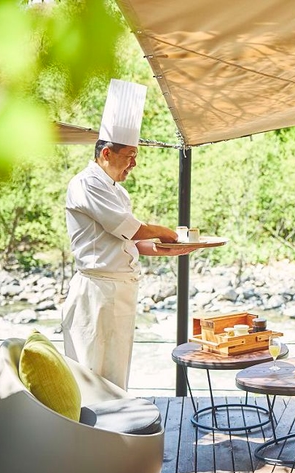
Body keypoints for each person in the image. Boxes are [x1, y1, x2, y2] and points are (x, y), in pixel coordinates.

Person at [61, 79, 196, 390]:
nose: (134, 163)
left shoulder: (116, 191)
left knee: (116, 373)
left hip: (119, 290)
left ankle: (113, 433)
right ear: (107, 153)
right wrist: (167, 233)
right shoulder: (86, 184)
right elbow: (132, 228)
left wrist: (167, 249)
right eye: (130, 156)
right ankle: (89, 436)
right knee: (91, 375)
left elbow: (131, 241)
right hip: (97, 293)